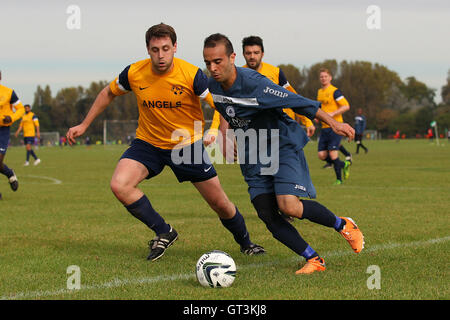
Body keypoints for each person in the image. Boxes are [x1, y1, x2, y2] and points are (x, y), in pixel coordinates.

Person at [66, 23, 264, 262]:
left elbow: (220, 105)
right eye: (155, 49)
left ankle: (246, 243)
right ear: (147, 49)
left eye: (166, 49)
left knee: (219, 203)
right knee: (120, 185)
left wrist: (223, 133)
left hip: (187, 145)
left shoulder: (192, 75)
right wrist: (84, 124)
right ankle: (164, 231)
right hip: (148, 143)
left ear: (175, 47)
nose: (161, 56)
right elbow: (108, 93)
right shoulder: (134, 73)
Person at [203, 33, 364, 274]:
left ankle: (343, 224)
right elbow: (227, 112)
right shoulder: (213, 87)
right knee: (267, 213)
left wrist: (333, 123)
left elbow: (298, 102)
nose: (213, 68)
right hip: (252, 154)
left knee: (289, 206)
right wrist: (228, 138)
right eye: (208, 63)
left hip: (280, 145)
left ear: (232, 57)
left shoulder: (255, 83)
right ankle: (314, 259)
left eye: (218, 61)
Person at [204, 35, 315, 147]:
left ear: (262, 53)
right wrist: (215, 130)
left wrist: (307, 121)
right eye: (248, 53)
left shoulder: (275, 72)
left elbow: (293, 97)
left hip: (281, 130)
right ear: (243, 55)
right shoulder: (234, 76)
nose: (252, 56)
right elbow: (223, 104)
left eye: (256, 53)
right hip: (253, 134)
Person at [316, 68, 351, 185]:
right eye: (321, 76)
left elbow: (346, 106)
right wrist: (317, 116)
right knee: (321, 155)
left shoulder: (335, 91)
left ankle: (339, 180)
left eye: (325, 76)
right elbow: (320, 108)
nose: (323, 78)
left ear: (330, 78)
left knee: (332, 153)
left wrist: (332, 114)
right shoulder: (319, 92)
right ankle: (343, 164)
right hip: (324, 127)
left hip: (335, 127)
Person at [0, 70, 23, 192]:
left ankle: (9, 173)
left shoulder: (8, 92)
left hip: (2, 130)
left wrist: (12, 117)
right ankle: (9, 174)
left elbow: (21, 109)